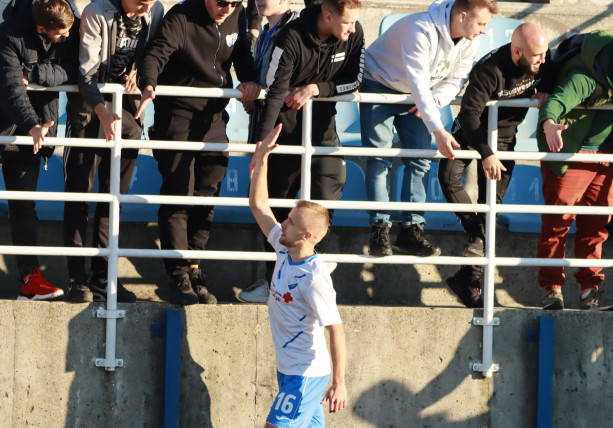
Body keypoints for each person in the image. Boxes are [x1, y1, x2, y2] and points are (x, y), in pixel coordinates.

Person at [224, 123, 363, 428]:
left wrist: (339, 382)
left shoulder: (315, 278)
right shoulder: (286, 248)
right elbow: (258, 205)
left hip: (306, 375)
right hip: (295, 373)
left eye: (289, 221)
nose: (280, 223)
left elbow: (335, 329)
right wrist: (261, 160)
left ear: (306, 235)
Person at [238, 0, 363, 304]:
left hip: (323, 133)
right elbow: (275, 91)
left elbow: (354, 80)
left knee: (327, 191)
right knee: (279, 212)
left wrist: (315, 89)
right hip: (284, 133)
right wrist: (262, 145)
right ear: (328, 15)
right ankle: (274, 284)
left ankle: (313, 270)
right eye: (346, 22)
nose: (352, 28)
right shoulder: (291, 36)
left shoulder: (353, 31)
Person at [137, 0, 259, 306]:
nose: (227, 8)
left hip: (214, 117)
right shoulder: (181, 16)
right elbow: (155, 53)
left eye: (234, 2)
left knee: (207, 192)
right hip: (177, 114)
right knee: (180, 193)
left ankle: (194, 266)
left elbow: (241, 53)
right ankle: (178, 273)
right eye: (221, 2)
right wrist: (148, 83)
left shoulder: (237, 14)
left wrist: (251, 81)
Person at [360, 0, 496, 259]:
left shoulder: (470, 38)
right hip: (380, 84)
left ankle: (411, 229)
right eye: (481, 23)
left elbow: (457, 79)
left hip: (418, 96)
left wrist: (434, 103)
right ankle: (380, 229)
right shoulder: (419, 29)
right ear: (463, 16)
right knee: (380, 158)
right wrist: (437, 129)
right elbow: (419, 83)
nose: (484, 30)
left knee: (420, 160)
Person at [536, 27, 613, 312]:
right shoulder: (584, 78)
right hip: (573, 156)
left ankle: (590, 293)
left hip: (605, 157)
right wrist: (549, 123)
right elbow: (555, 102)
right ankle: (552, 291)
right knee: (557, 224)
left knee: (597, 227)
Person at [438, 21, 550, 308]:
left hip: (505, 138)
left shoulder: (543, 62)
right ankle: (475, 232)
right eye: (536, 56)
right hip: (473, 132)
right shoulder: (490, 70)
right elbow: (469, 114)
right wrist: (486, 153)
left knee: (492, 210)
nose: (542, 60)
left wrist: (548, 90)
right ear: (516, 53)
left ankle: (469, 280)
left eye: (544, 55)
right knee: (448, 174)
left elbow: (558, 74)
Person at [63, 0, 164, 304]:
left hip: (128, 112)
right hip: (88, 111)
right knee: (79, 193)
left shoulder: (155, 10)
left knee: (114, 197)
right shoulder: (97, 11)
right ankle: (76, 278)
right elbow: (86, 71)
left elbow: (154, 54)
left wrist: (141, 73)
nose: (144, 4)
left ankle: (103, 276)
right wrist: (103, 113)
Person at [0, 0, 77, 301]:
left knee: (24, 207)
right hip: (18, 129)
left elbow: (70, 70)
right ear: (41, 27)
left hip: (32, 135)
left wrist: (33, 74)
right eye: (61, 34)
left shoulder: (70, 24)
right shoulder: (8, 33)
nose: (68, 37)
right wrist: (32, 123)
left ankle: (30, 282)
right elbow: (9, 87)